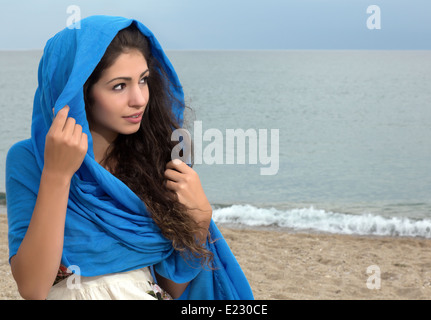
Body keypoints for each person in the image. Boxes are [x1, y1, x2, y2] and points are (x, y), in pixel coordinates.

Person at [5, 15, 253, 300]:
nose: (139, 99)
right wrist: (57, 176)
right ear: (79, 93)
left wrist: (198, 220)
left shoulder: (152, 161)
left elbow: (168, 286)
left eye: (144, 80)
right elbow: (33, 288)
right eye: (119, 86)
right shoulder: (30, 160)